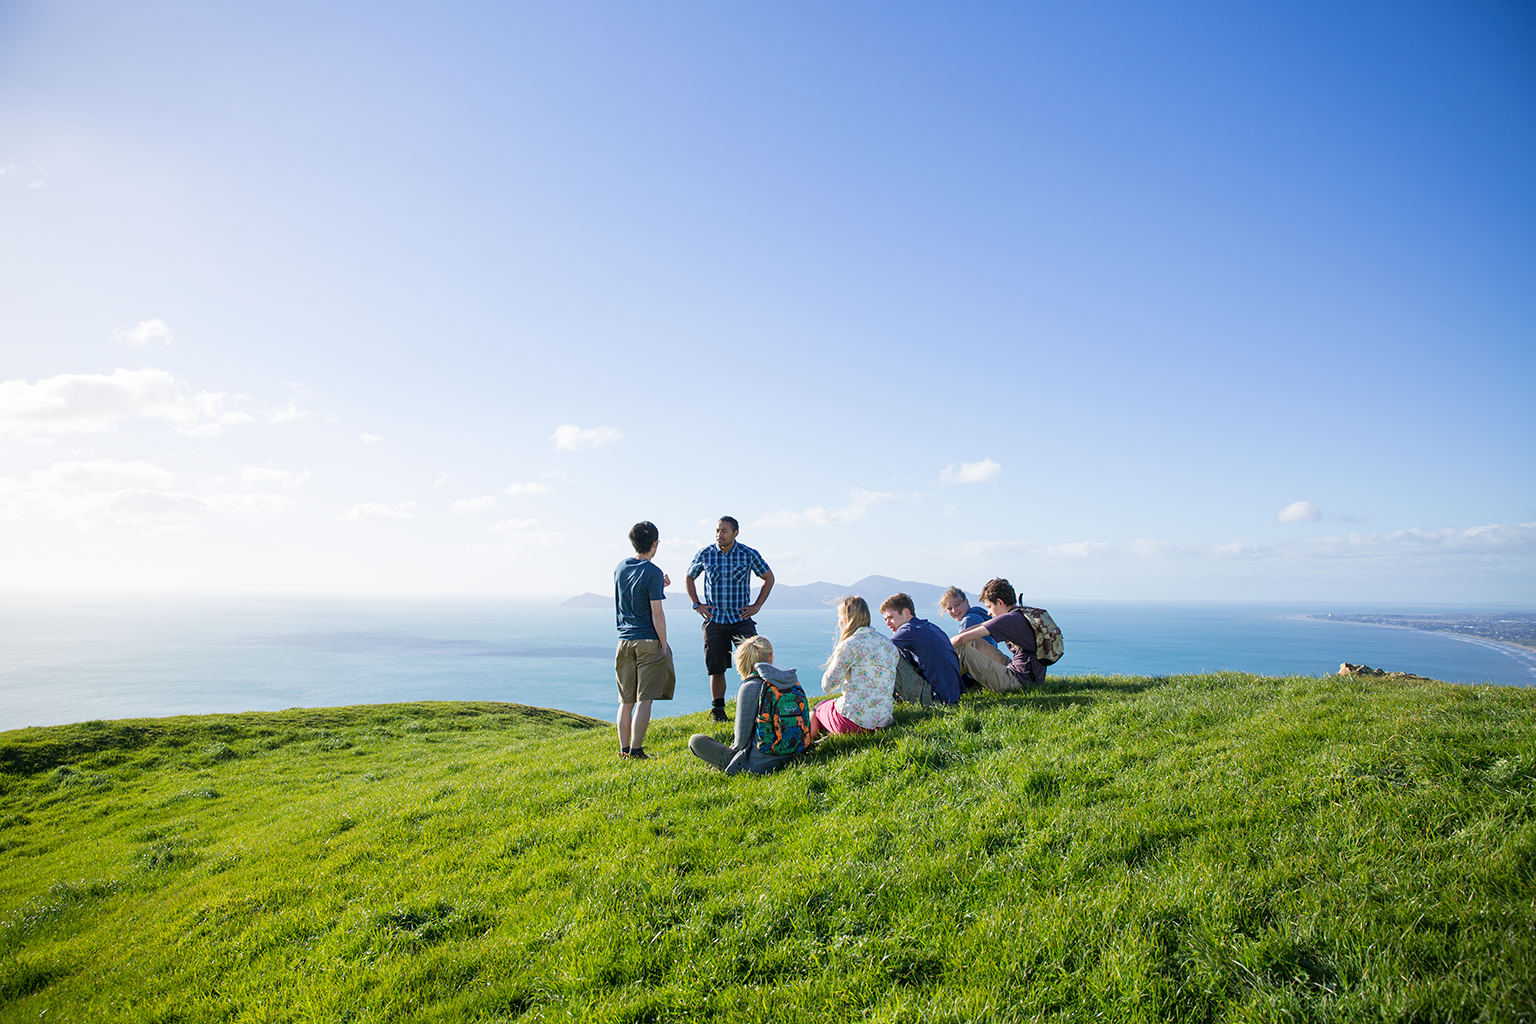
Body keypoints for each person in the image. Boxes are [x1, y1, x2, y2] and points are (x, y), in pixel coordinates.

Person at [686, 516, 775, 722]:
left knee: (755, 664)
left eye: (724, 531)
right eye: (717, 530)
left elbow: (768, 578)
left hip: (741, 618)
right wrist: (696, 604)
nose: (719, 535)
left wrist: (757, 605)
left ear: (735, 533)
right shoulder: (705, 554)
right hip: (714, 620)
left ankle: (758, 708)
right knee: (716, 667)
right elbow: (689, 577)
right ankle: (718, 711)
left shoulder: (748, 554)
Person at [687, 636, 804, 775]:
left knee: (696, 741)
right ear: (771, 657)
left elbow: (740, 742)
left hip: (760, 763)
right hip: (796, 753)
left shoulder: (750, 686)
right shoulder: (791, 679)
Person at [612, 520, 675, 759]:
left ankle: (623, 750)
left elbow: (632, 596)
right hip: (647, 640)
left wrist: (661, 586)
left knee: (625, 701)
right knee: (644, 699)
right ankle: (637, 750)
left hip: (624, 641)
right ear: (655, 544)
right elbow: (657, 615)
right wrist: (663, 644)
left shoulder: (620, 567)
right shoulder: (653, 572)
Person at [809, 596, 897, 742]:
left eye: (839, 617)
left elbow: (827, 686)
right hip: (883, 721)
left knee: (818, 707)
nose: (838, 622)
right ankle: (830, 737)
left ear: (846, 618)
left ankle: (806, 745)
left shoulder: (849, 645)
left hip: (852, 721)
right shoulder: (889, 645)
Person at [949, 577, 1046, 691]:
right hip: (1027, 674)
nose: (989, 613)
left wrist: (938, 649)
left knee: (962, 649)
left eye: (989, 607)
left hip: (1017, 682)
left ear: (1000, 602)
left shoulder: (1007, 620)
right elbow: (979, 627)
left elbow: (960, 639)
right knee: (975, 641)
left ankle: (937, 686)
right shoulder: (1019, 614)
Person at [879, 593, 963, 706]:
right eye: (885, 619)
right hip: (952, 695)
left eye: (890, 618)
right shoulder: (929, 626)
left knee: (886, 655)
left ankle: (879, 703)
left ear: (906, 613)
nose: (887, 623)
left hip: (936, 698)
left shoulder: (907, 630)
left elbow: (879, 650)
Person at [939, 585, 1010, 685]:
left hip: (983, 669)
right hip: (994, 663)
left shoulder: (968, 620)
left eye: (957, 605)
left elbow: (961, 646)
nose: (954, 611)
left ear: (966, 602)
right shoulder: (979, 613)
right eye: (950, 608)